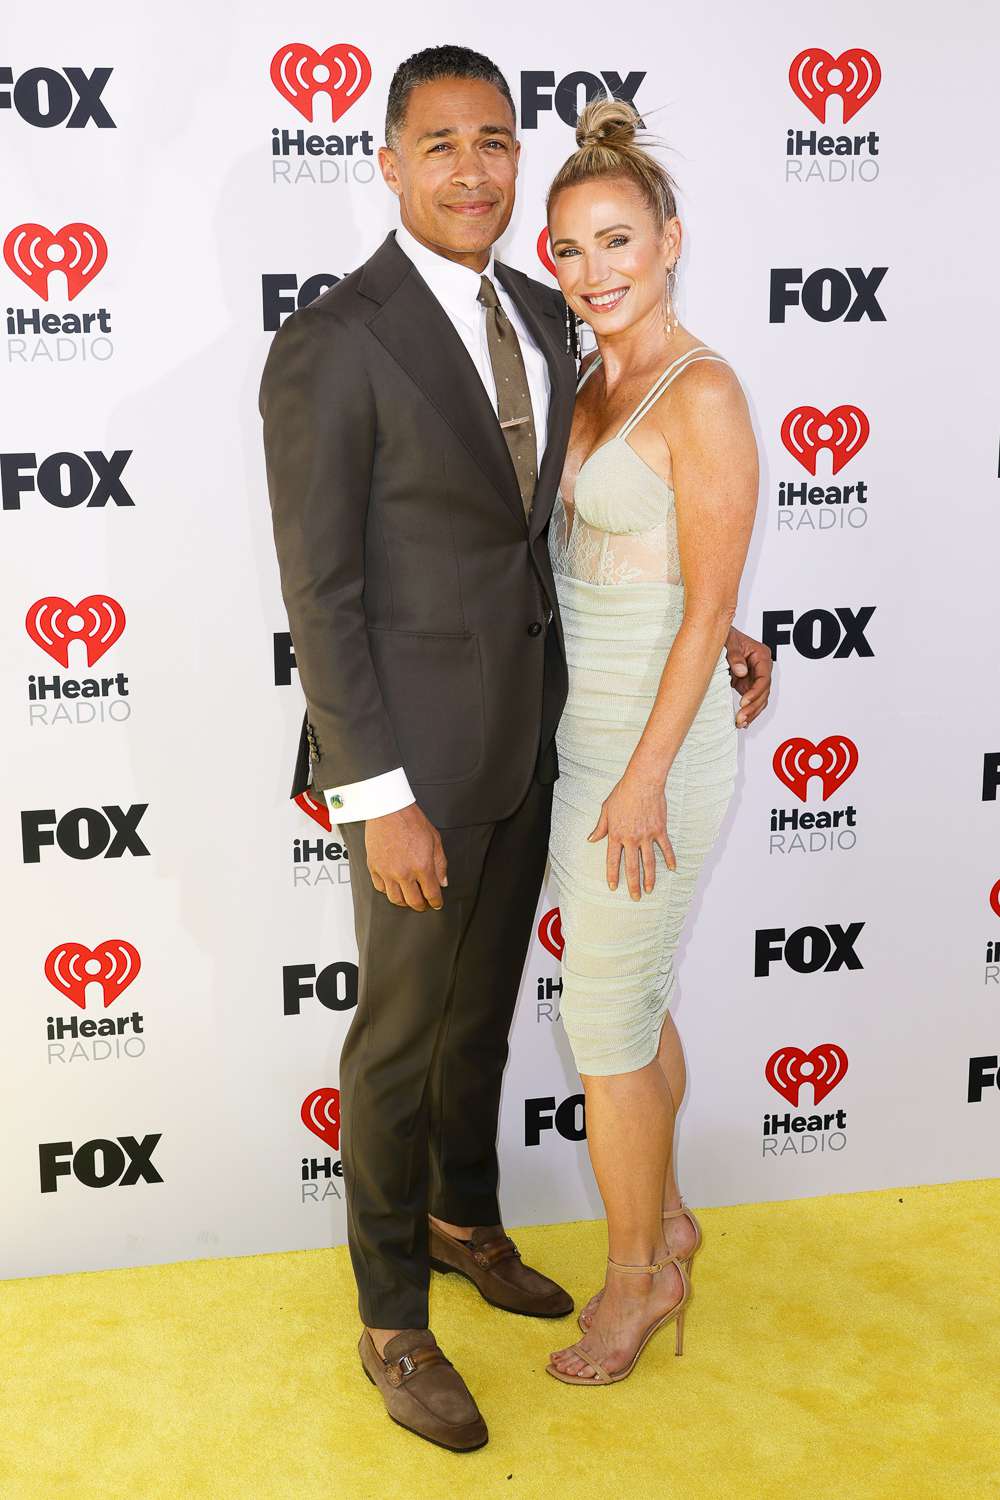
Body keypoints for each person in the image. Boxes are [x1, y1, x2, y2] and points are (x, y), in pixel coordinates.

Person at [259, 47, 772, 1450]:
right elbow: (326, 599)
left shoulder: (554, 318)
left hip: (547, 748)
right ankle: (390, 1317)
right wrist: (379, 798)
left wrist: (715, 627)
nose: (473, 168)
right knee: (397, 1044)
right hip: (413, 775)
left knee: (484, 1020)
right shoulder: (332, 343)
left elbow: (610, 516)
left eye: (495, 141)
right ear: (388, 160)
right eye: (440, 144)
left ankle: (464, 1217)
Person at [542, 101, 759, 1386]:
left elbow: (710, 609)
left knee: (606, 1031)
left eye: (617, 242)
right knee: (633, 1002)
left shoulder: (704, 388)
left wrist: (639, 782)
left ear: (669, 241)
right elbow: (640, 569)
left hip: (655, 766)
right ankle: (666, 1221)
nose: (593, 273)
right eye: (569, 251)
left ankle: (637, 1281)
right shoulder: (591, 375)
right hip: (587, 751)